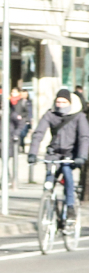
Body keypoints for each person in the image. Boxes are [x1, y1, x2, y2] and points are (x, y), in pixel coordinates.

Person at [27, 88, 89, 218]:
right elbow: (39, 133)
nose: (60, 105)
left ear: (70, 103)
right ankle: (48, 205)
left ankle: (70, 206)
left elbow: (84, 137)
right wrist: (32, 153)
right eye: (58, 102)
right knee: (49, 179)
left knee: (67, 174)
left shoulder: (79, 116)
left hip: (70, 154)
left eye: (64, 102)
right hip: (53, 153)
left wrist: (82, 156)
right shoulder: (50, 114)